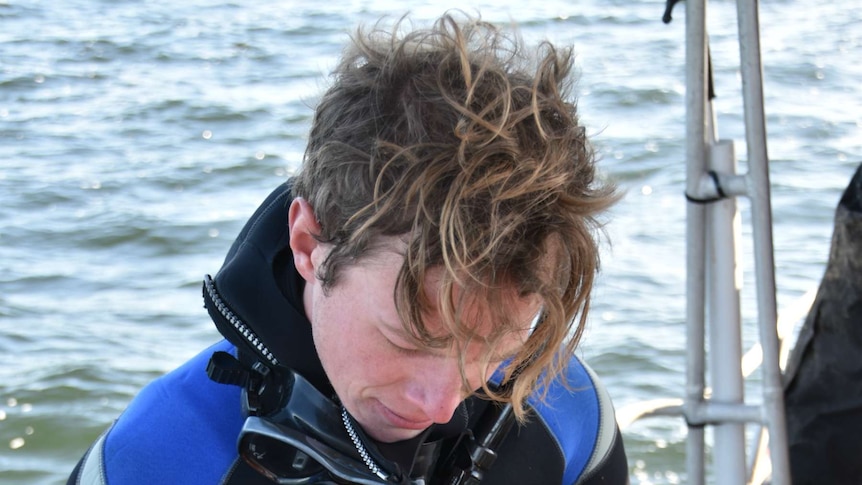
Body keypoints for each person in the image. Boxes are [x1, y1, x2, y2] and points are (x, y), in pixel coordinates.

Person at [68, 12, 628, 485]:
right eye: (408, 339)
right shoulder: (152, 463)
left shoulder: (573, 415)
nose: (440, 404)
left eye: (495, 345)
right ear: (308, 246)